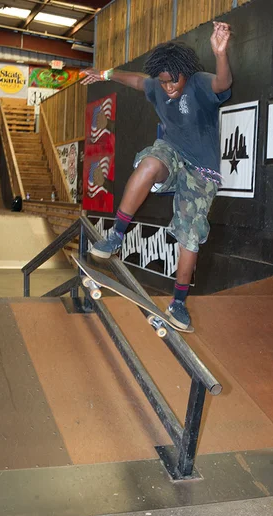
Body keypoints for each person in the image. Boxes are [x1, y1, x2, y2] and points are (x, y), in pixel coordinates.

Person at [81, 21, 232, 330]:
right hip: (171, 155)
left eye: (173, 81)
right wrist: (107, 74)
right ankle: (116, 236)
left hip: (201, 173)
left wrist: (220, 53)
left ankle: (177, 303)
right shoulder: (157, 86)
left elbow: (223, 83)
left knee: (190, 236)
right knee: (149, 163)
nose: (168, 88)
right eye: (163, 82)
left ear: (184, 73)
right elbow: (138, 81)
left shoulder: (199, 83)